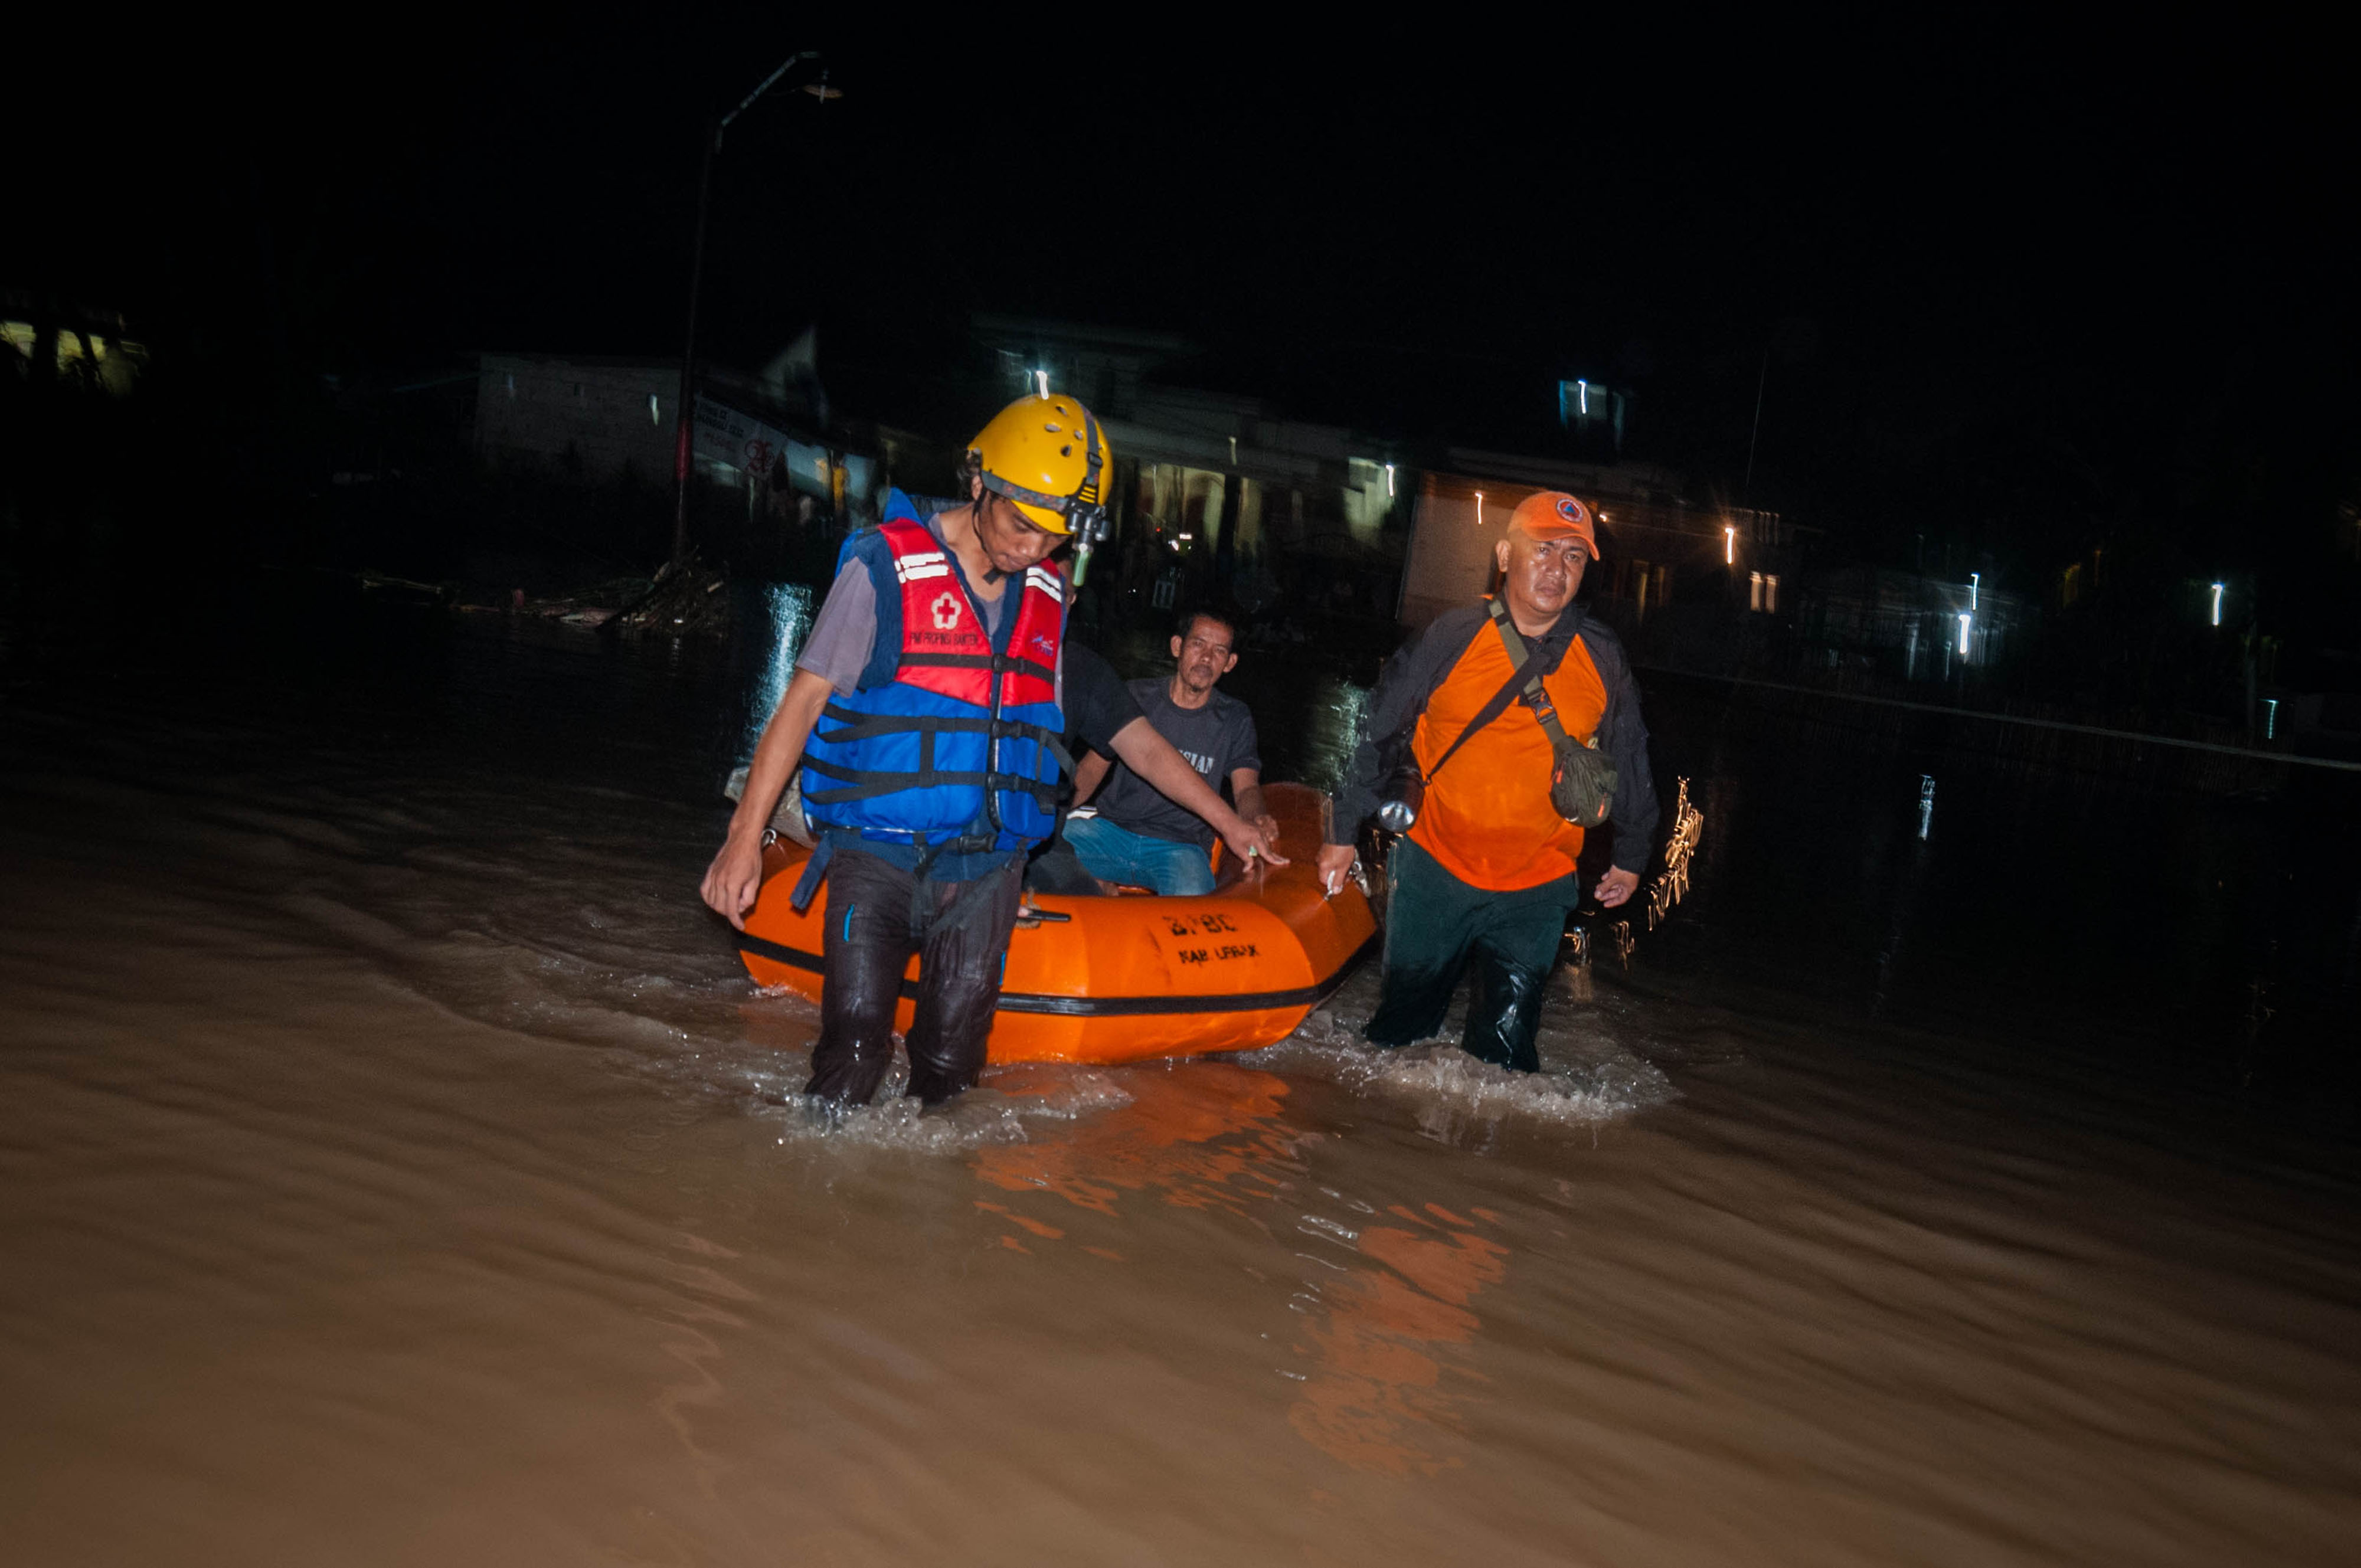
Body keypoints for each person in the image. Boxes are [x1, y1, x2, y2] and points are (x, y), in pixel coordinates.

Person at [701, 394, 1286, 1109]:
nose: (1031, 549)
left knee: (951, 1068)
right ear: (979, 482)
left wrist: (1230, 822)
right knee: (853, 1048)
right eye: (1021, 524)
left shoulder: (1049, 595)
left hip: (985, 867)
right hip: (877, 854)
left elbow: (1139, 743)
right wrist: (743, 839)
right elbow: (801, 703)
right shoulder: (883, 568)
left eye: (1052, 536)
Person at [1316, 491, 1659, 1073]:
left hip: (1537, 883)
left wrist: (1631, 854)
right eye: (1543, 549)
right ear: (1505, 555)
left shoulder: (1602, 655)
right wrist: (1342, 831)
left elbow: (1630, 755)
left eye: (1574, 556)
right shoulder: (1451, 636)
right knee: (1397, 1040)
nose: (1557, 569)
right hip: (1435, 867)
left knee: (1505, 1060)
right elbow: (1379, 729)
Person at [1025, 640, 1289, 896]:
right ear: (1177, 647)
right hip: (1110, 833)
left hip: (1182, 847)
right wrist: (1045, 816)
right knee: (1037, 853)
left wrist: (1255, 817)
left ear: (1230, 663)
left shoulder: (1235, 718)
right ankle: (1098, 888)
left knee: (1193, 905)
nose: (1207, 657)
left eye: (1219, 650)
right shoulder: (1134, 696)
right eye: (1198, 645)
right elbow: (1092, 770)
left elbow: (1246, 788)